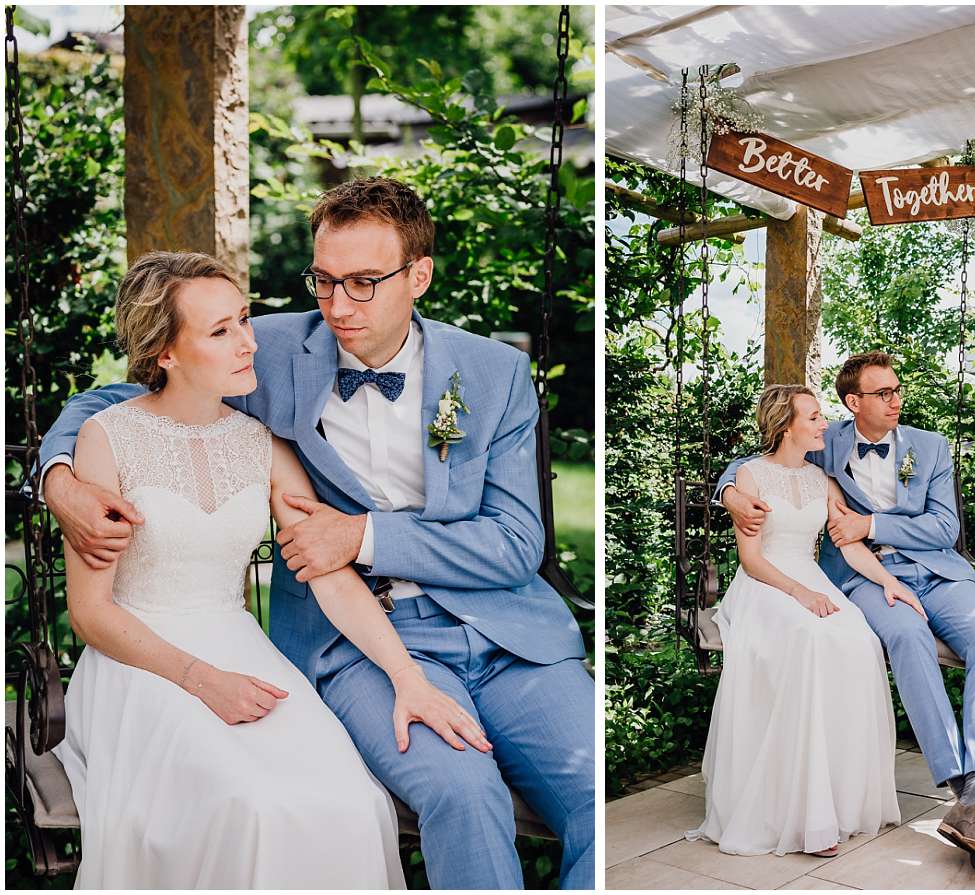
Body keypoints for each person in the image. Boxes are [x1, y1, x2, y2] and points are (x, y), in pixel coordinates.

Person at [40, 178, 595, 890]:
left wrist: (361, 535)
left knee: (590, 799)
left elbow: (518, 542)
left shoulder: (493, 372)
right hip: (362, 640)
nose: (338, 306)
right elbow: (125, 398)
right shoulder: (267, 348)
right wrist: (61, 480)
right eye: (324, 280)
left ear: (418, 275)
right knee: (462, 794)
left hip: (512, 636)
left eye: (364, 282)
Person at [49, 251, 416, 888]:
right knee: (248, 805)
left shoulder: (262, 445)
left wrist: (409, 680)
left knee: (352, 804)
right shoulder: (106, 440)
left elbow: (327, 571)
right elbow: (90, 612)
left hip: (243, 649)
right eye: (220, 331)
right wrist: (199, 679)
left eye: (244, 320)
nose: (249, 342)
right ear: (165, 351)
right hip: (137, 660)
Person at [716, 352, 975, 883]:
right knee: (904, 637)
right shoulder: (824, 441)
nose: (896, 400)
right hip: (865, 577)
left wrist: (870, 523)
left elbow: (943, 528)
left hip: (938, 574)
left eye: (897, 390)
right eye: (883, 393)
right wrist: (730, 493)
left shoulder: (931, 446)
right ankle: (956, 783)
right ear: (853, 402)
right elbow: (754, 460)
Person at [687, 385, 905, 857]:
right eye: (813, 416)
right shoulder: (749, 476)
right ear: (786, 425)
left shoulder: (821, 481)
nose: (823, 423)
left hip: (810, 579)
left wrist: (890, 582)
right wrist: (800, 594)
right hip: (766, 584)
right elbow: (750, 560)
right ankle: (804, 816)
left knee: (859, 641)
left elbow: (848, 543)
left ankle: (839, 802)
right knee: (808, 640)